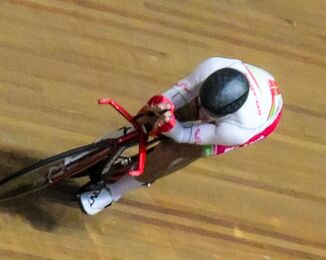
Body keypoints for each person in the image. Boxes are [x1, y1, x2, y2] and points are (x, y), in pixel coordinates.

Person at [79, 57, 283, 215]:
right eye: (202, 106)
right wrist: (162, 105)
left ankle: (114, 192)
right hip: (225, 93)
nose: (202, 115)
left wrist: (173, 127)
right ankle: (101, 147)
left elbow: (183, 136)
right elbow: (176, 94)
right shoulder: (212, 66)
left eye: (209, 115)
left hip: (258, 125)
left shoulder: (237, 130)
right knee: (151, 115)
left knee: (172, 151)